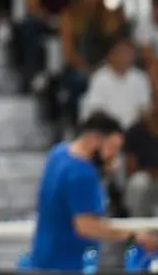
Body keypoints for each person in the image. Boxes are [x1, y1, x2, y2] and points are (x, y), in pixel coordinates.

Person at [28, 112, 158, 271]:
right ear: (94, 140)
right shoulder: (82, 173)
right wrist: (134, 237)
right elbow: (86, 226)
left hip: (42, 259)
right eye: (112, 148)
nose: (113, 157)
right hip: (66, 265)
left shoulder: (58, 154)